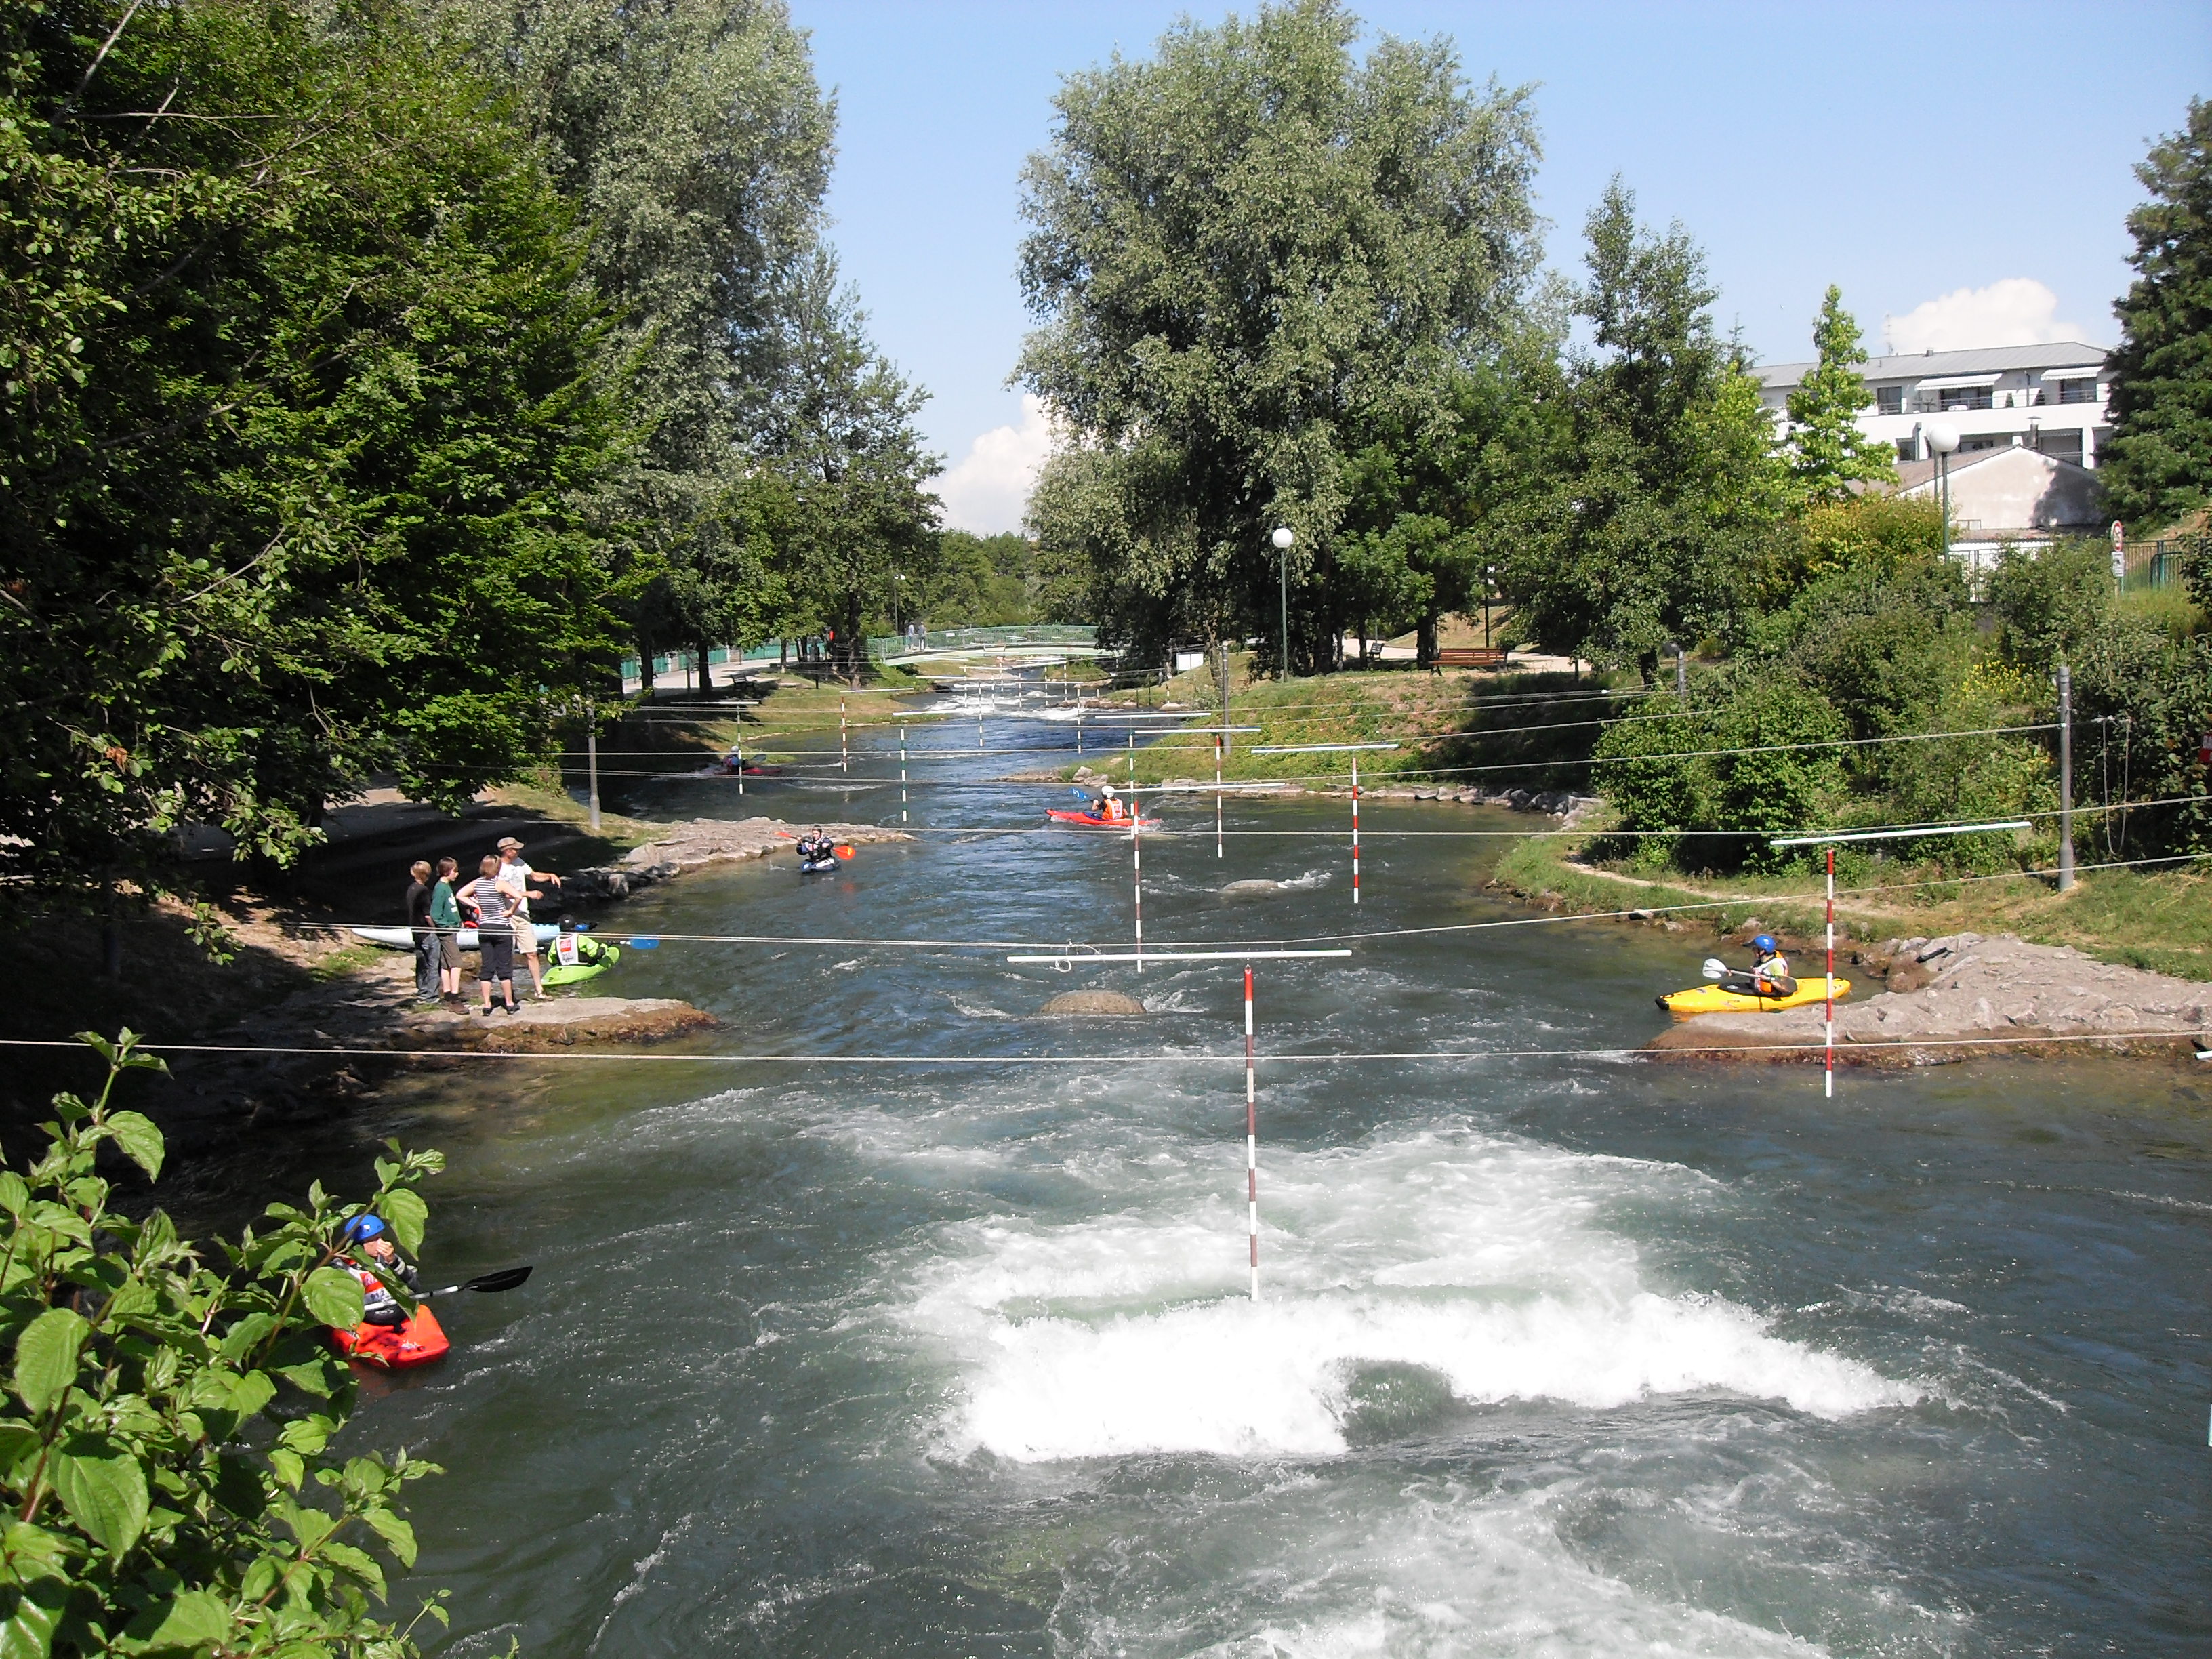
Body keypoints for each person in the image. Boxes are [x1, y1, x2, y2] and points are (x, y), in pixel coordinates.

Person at [495, 837, 562, 1000]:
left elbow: (533, 876)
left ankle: (539, 990)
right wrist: (528, 894)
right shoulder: (497, 867)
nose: (518, 851)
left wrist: (549, 875)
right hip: (505, 914)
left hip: (522, 913)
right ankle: (507, 992)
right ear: (507, 850)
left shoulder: (519, 862)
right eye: (515, 849)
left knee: (532, 952)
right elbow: (501, 891)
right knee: (505, 954)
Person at [455, 855, 518, 1015]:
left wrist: (477, 905)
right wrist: (510, 911)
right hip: (501, 928)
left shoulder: (477, 883)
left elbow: (460, 895)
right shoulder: (500, 884)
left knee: (487, 966)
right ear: (497, 868)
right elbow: (518, 896)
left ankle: (487, 1005)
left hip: (484, 928)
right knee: (504, 967)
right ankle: (509, 1003)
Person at [340, 1215, 421, 1328]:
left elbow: (414, 1287)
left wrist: (394, 1262)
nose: (383, 1243)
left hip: (397, 1313)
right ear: (358, 1244)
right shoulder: (343, 1268)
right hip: (368, 1320)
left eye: (381, 1237)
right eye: (374, 1240)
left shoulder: (388, 1258)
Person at [405, 861, 438, 1004]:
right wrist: (435, 928)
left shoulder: (411, 889)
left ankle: (422, 992)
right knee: (432, 964)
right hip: (426, 932)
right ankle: (431, 996)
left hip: (415, 931)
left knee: (421, 963)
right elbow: (427, 915)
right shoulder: (424, 891)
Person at [431, 856, 464, 1001]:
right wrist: (447, 926)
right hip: (447, 932)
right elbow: (435, 913)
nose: (457, 874)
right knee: (456, 963)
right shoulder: (440, 889)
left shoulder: (446, 887)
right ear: (447, 871)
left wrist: (459, 921)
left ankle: (447, 992)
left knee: (445, 964)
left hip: (452, 928)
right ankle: (454, 995)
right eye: (455, 871)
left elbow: (451, 908)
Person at [1749, 933, 1796, 997]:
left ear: (1762, 951)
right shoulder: (1760, 962)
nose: (1752, 951)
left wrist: (1768, 979)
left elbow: (1781, 984)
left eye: (1755, 949)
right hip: (1758, 991)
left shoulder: (1775, 965)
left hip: (1771, 995)